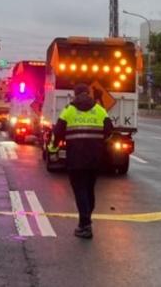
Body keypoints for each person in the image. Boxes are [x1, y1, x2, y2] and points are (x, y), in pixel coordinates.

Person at [51, 83, 113, 239]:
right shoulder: (99, 110)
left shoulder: (69, 110)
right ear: (89, 93)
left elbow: (57, 132)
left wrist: (53, 148)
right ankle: (85, 221)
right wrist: (100, 143)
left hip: (75, 158)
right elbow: (109, 130)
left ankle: (85, 225)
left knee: (80, 191)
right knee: (89, 189)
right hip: (94, 158)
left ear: (75, 94)